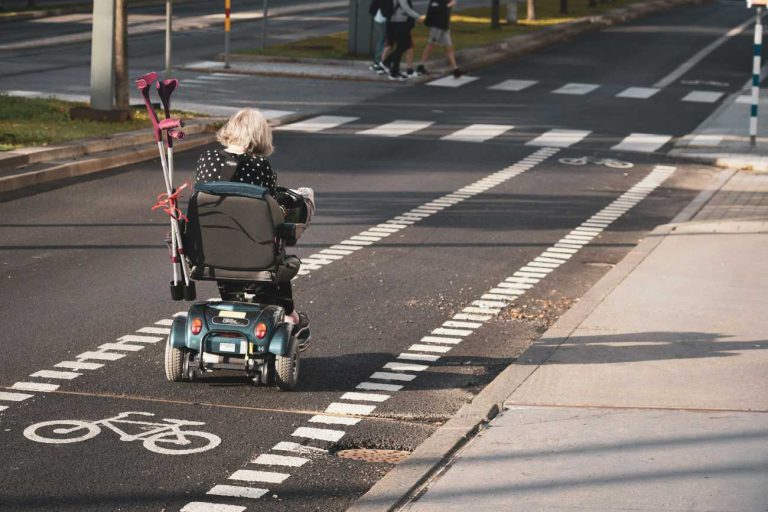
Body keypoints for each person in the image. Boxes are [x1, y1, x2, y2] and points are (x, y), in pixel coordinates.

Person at [194, 108, 314, 323]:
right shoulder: (259, 166)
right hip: (254, 249)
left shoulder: (207, 158)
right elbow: (269, 207)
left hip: (212, 248)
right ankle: (287, 313)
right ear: (260, 136)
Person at [417, 0, 462, 78]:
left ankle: (455, 69)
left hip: (445, 26)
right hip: (436, 26)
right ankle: (421, 66)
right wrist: (449, 5)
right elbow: (435, 10)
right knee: (431, 45)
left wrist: (451, 4)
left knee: (449, 47)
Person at [381, 0, 421, 81]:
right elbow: (406, 8)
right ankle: (388, 63)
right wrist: (418, 17)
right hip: (399, 23)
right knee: (402, 47)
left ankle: (394, 72)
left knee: (402, 47)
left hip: (397, 22)